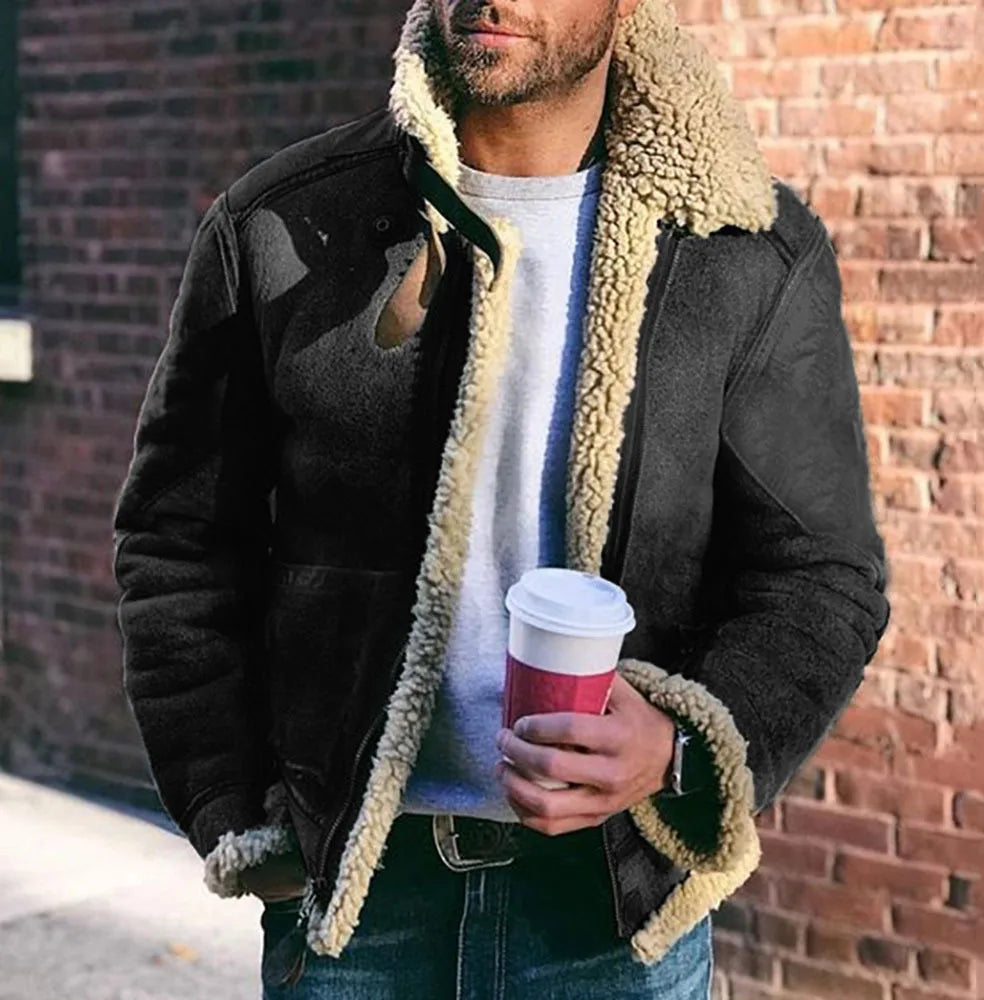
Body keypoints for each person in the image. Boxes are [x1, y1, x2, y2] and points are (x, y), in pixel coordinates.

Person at [111, 0, 891, 996]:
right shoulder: (279, 226)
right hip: (357, 909)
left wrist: (680, 746)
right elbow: (179, 540)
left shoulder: (742, 250)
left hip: (610, 919)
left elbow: (820, 577)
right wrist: (231, 809)